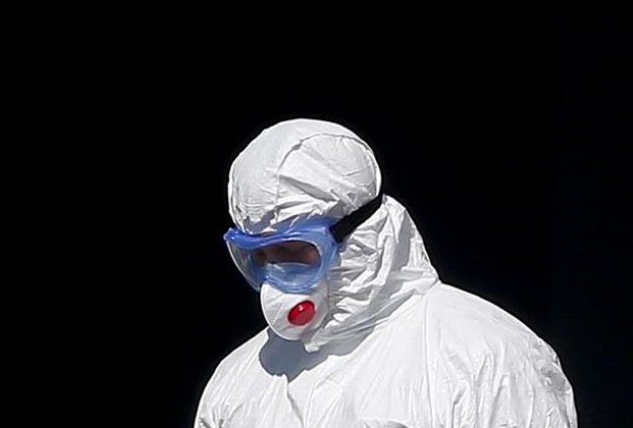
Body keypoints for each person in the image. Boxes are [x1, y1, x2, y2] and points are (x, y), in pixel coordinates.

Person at [194, 118, 577, 428]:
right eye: (258, 255)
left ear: (363, 235)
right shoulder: (239, 381)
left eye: (294, 250)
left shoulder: (484, 359)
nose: (275, 274)